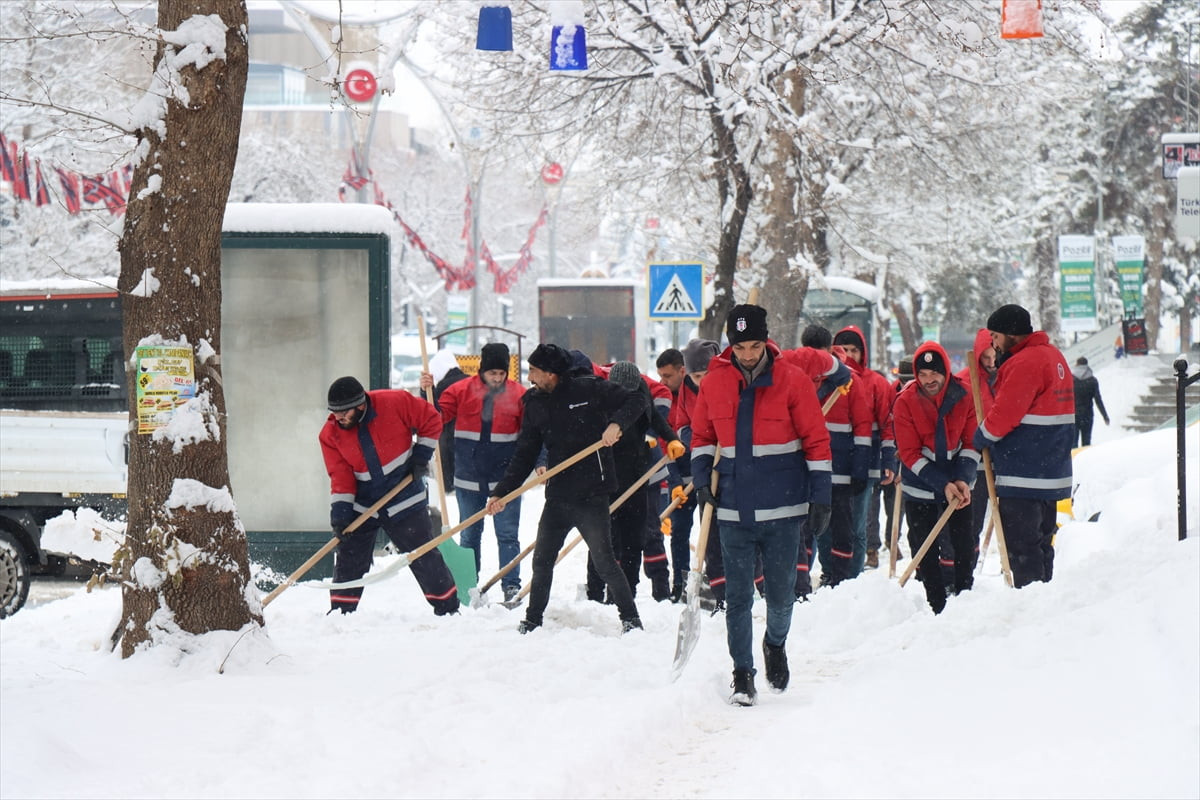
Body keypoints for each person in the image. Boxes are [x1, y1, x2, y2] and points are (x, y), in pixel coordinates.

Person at [691, 305, 832, 706]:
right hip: (733, 507)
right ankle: (742, 673)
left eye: (754, 346)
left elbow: (816, 440)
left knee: (781, 596)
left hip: (783, 507)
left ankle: (775, 643)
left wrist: (821, 496)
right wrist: (701, 480)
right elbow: (702, 437)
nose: (748, 355)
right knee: (737, 598)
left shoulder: (792, 380)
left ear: (766, 341)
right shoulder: (715, 382)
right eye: (740, 347)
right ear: (730, 346)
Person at [485, 343, 646, 634]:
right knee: (542, 561)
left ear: (551, 373)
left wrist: (617, 424)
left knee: (605, 562)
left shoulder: (589, 389)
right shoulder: (535, 403)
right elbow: (525, 454)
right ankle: (532, 620)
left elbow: (636, 401)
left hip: (592, 493)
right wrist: (502, 492)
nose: (529, 377)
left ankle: (631, 619)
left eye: (533, 371)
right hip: (558, 495)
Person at [319, 376, 459, 615]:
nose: (338, 417)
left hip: (404, 494)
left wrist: (421, 457)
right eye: (334, 412)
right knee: (349, 557)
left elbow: (431, 419)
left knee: (423, 554)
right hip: (364, 504)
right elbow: (340, 477)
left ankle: (448, 608)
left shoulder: (395, 402)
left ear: (360, 405)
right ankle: (341, 613)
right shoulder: (330, 435)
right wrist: (340, 516)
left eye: (344, 412)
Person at [973, 304, 1074, 588]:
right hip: (1050, 470)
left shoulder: (1024, 363)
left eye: (995, 336)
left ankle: (1030, 602)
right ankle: (1044, 596)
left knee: (1022, 550)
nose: (994, 344)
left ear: (1011, 333)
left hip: (1024, 472)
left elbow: (1005, 414)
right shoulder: (1053, 356)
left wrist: (981, 437)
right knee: (1042, 544)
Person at [420, 343, 526, 602]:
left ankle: (511, 586)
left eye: (502, 373)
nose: (497, 379)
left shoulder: (519, 395)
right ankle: (470, 584)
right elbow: (435, 417)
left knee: (508, 535)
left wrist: (540, 460)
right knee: (469, 534)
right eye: (492, 373)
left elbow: (533, 432)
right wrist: (427, 392)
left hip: (506, 481)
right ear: (481, 370)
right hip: (469, 478)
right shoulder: (460, 391)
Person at [585, 361, 684, 601]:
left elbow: (655, 419)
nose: (625, 397)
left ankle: (626, 593)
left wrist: (670, 438)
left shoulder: (641, 393)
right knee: (604, 538)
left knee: (634, 538)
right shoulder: (600, 396)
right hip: (607, 476)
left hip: (637, 475)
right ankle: (596, 595)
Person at [891, 343, 979, 613]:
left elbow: (971, 443)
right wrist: (942, 484)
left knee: (964, 544)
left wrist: (962, 478)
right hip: (921, 485)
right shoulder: (905, 402)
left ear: (946, 372)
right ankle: (936, 604)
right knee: (925, 547)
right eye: (923, 374)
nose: (929, 380)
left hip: (958, 483)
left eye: (934, 374)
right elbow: (909, 452)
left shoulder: (965, 395)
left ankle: (964, 597)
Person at [795, 324, 869, 592]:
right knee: (804, 528)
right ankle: (801, 581)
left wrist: (860, 466)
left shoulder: (848, 380)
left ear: (829, 351)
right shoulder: (794, 377)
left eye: (820, 354)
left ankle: (841, 581)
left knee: (842, 527)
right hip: (804, 469)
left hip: (839, 468)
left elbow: (862, 425)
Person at [658, 339, 725, 605]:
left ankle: (717, 581)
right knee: (679, 531)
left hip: (715, 470)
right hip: (685, 474)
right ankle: (681, 583)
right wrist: (675, 479)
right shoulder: (672, 399)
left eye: (668, 375)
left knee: (712, 529)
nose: (663, 381)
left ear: (681, 370)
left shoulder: (719, 383)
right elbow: (671, 438)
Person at [832, 326, 894, 577]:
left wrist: (888, 460)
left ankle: (854, 575)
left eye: (854, 350)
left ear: (863, 353)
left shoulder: (876, 384)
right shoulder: (826, 380)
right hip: (832, 464)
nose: (848, 355)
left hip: (865, 464)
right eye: (843, 349)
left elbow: (887, 425)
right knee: (830, 525)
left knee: (858, 525)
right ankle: (834, 572)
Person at [956, 331, 997, 566]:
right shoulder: (965, 380)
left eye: (994, 357)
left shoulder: (1006, 377)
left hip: (1003, 458)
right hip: (975, 460)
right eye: (986, 358)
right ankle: (967, 566)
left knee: (1011, 519)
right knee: (973, 519)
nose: (991, 363)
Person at [1071, 356, 1109, 447]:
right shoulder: (1092, 380)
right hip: (1087, 415)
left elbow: (1065, 397)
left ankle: (1075, 456)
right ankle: (1086, 456)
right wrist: (1105, 416)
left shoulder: (1070, 379)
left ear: (1077, 364)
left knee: (1073, 443)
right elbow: (1098, 400)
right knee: (1086, 443)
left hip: (1073, 415)